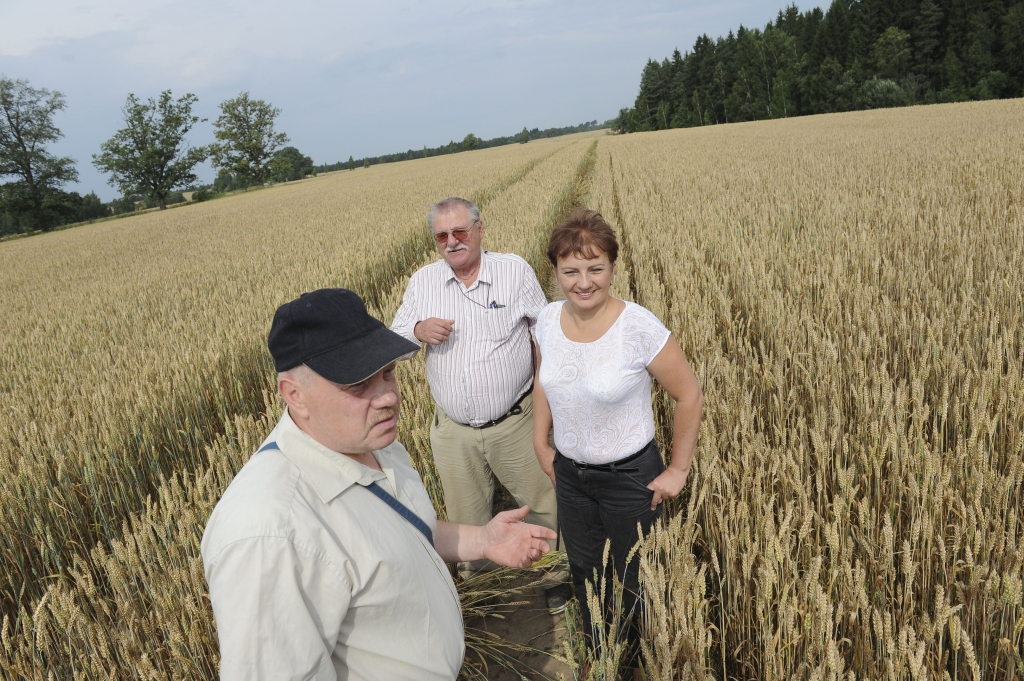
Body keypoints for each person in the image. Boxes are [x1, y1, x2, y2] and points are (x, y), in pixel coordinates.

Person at [201, 288, 556, 681]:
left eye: (387, 371)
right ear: (295, 396)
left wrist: (482, 540)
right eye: (358, 384)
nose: (388, 396)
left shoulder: (370, 442)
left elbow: (399, 530)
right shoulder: (270, 536)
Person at [532, 209, 704, 674]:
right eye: (570, 271)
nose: (583, 281)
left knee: (634, 580)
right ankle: (597, 655)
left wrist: (679, 469)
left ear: (612, 267)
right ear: (556, 272)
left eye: (595, 268)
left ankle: (634, 663)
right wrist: (540, 441)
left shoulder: (638, 326)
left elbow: (689, 395)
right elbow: (544, 380)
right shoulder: (547, 320)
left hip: (631, 478)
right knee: (585, 572)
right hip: (571, 476)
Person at [391, 197, 569, 611]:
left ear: (479, 229)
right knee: (466, 517)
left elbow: (545, 335)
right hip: (454, 431)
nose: (452, 242)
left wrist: (547, 406)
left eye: (460, 232)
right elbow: (395, 347)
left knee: (541, 503)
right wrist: (417, 329)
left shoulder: (513, 271)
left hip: (515, 422)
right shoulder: (423, 283)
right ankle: (480, 592)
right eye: (442, 235)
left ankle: (556, 575)